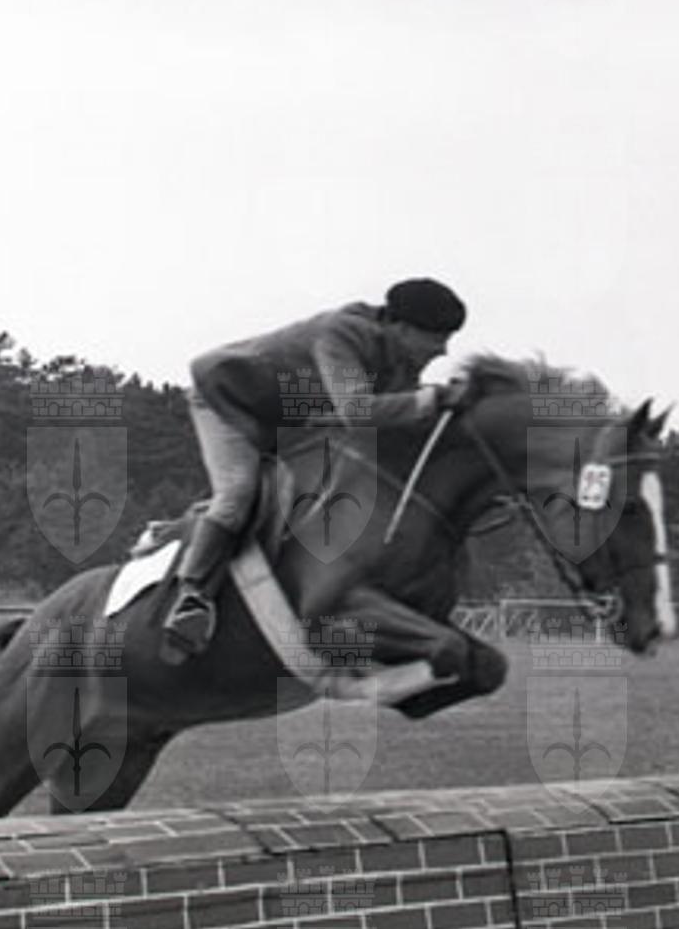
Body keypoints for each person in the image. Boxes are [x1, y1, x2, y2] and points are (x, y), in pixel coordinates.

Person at [163, 278, 468, 656]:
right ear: (402, 328)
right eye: (436, 338)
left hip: (286, 417)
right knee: (238, 492)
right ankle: (191, 598)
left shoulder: (398, 360)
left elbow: (397, 419)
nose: (442, 350)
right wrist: (434, 398)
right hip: (226, 400)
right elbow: (358, 411)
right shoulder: (341, 334)